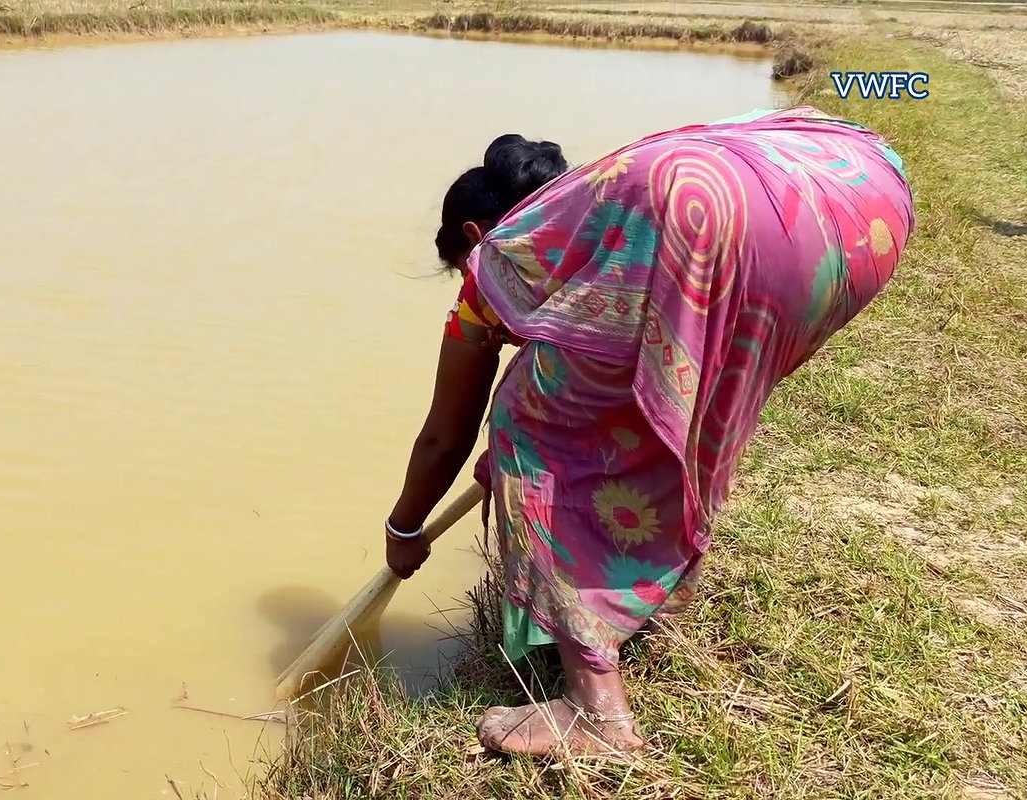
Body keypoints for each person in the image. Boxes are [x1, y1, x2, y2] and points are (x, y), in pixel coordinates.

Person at [380, 107, 915, 757]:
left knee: (525, 417)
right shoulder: (604, 214)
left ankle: (595, 713)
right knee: (659, 403)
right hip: (845, 212)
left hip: (736, 211)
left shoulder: (505, 255)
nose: (477, 285)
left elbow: (445, 433)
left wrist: (404, 528)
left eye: (466, 265)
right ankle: (641, 597)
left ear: (475, 235)